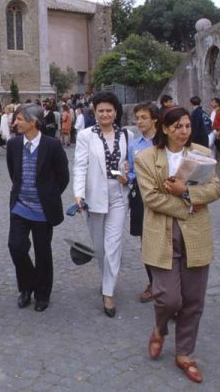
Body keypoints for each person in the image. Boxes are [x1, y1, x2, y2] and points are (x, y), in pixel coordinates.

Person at [134, 106, 220, 384]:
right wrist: (187, 206)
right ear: (164, 129)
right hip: (161, 233)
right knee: (169, 297)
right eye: (177, 127)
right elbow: (152, 199)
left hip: (195, 234)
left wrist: (186, 192)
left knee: (193, 300)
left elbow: (214, 189)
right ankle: (160, 328)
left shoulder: (202, 155)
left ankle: (185, 353)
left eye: (187, 126)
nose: (183, 132)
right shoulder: (146, 158)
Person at [73, 91, 134, 317]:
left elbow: (126, 165)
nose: (105, 114)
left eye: (109, 110)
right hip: (94, 197)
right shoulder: (86, 136)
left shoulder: (126, 135)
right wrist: (78, 194)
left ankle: (108, 292)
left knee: (113, 246)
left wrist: (126, 174)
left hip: (119, 195)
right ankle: (106, 277)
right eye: (101, 111)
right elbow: (80, 166)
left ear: (115, 112)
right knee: (100, 248)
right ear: (95, 112)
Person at [6, 104, 69, 312]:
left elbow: (63, 177)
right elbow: (13, 172)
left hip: (43, 210)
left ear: (33, 122)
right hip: (20, 207)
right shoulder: (14, 145)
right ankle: (27, 286)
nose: (15, 123)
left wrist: (49, 195)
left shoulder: (52, 145)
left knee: (43, 253)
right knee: (16, 246)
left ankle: (42, 294)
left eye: (20, 119)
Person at [126, 101, 159, 302]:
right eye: (137, 118)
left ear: (154, 118)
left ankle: (166, 283)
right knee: (145, 242)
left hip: (162, 194)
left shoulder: (162, 142)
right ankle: (153, 282)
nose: (139, 121)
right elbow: (130, 171)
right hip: (140, 196)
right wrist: (126, 177)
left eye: (143, 117)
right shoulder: (134, 145)